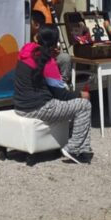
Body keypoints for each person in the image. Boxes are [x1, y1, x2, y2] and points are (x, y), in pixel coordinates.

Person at [14, 24, 93, 164]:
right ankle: (73, 148)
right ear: (55, 42)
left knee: (77, 104)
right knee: (84, 105)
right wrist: (80, 94)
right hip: (39, 108)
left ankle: (84, 149)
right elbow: (60, 94)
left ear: (37, 37)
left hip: (20, 106)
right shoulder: (48, 62)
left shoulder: (26, 51)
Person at [30, 10, 71, 84]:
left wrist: (54, 51)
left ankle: (62, 83)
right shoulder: (27, 36)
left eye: (30, 22)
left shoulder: (48, 32)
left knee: (65, 57)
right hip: (35, 61)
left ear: (36, 25)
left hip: (48, 59)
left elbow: (55, 48)